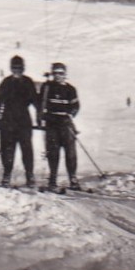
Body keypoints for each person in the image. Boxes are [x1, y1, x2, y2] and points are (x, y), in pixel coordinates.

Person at [0, 54, 39, 188]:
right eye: (14, 68)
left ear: (23, 68)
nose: (17, 71)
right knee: (7, 150)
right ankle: (7, 175)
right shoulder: (6, 82)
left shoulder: (28, 82)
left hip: (24, 121)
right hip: (8, 121)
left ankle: (29, 175)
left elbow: (35, 101)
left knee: (27, 150)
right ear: (11, 68)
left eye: (19, 68)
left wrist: (40, 118)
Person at [40, 61, 81, 192]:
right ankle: (53, 179)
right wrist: (43, 116)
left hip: (65, 123)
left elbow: (76, 106)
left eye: (61, 73)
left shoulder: (70, 89)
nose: (58, 76)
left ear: (65, 74)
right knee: (53, 153)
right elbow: (41, 104)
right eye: (55, 73)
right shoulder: (47, 88)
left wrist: (70, 115)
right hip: (52, 123)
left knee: (70, 153)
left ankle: (73, 179)